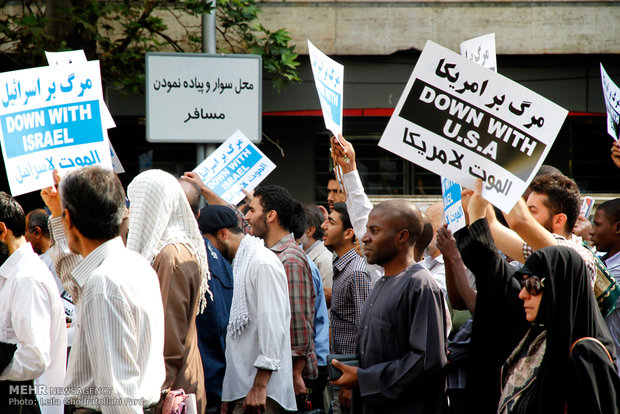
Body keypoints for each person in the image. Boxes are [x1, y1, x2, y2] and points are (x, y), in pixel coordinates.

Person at [455, 179, 620, 413]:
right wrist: (477, 198)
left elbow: (518, 221)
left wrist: (500, 176)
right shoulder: (541, 255)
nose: (523, 294)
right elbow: (492, 228)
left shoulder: (572, 258)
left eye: (534, 285)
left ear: (559, 219)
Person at [42, 166, 165, 413]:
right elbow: (78, 284)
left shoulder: (105, 281)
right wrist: (59, 213)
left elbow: (118, 393)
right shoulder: (135, 264)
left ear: (70, 220)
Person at [331, 200, 448, 414]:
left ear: (402, 236)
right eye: (366, 230)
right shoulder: (381, 283)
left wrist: (365, 379)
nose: (365, 238)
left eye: (374, 231)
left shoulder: (420, 285)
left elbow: (426, 361)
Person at [126, 169, 210, 414]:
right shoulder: (170, 248)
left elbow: (168, 339)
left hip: (174, 392)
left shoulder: (171, 255)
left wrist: (159, 395)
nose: (131, 212)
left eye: (136, 203)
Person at [202, 205, 295, 413]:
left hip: (262, 394)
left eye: (208, 242)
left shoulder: (262, 262)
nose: (207, 251)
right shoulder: (238, 263)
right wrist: (229, 393)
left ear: (223, 233)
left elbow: (273, 326)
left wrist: (260, 386)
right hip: (242, 392)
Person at [244, 185, 317, 407]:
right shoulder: (268, 253)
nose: (247, 217)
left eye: (252, 210)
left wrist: (296, 375)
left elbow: (298, 324)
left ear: (271, 216)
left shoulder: (289, 258)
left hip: (284, 377)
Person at [0, 193, 66, 414]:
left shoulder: (27, 278)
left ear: (2, 231)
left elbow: (34, 358)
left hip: (26, 403)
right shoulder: (14, 273)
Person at [181, 179, 234, 414]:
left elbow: (215, 327)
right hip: (214, 384)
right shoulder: (220, 261)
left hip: (197, 387)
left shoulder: (186, 257)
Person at [321, 202, 371, 413]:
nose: (323, 225)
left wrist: (352, 382)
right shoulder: (343, 267)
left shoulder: (357, 272)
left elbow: (364, 330)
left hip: (350, 378)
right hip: (340, 374)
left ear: (348, 232)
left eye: (331, 222)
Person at [25, 208, 75, 346]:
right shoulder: (36, 259)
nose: (24, 237)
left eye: (25, 231)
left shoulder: (56, 260)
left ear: (37, 232)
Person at [590, 198, 620, 363]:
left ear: (618, 227)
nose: (592, 231)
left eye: (597, 225)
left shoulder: (617, 270)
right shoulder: (602, 258)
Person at [301, 204, 334, 305]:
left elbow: (326, 305)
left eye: (298, 226)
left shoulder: (325, 259)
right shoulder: (302, 254)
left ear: (310, 230)